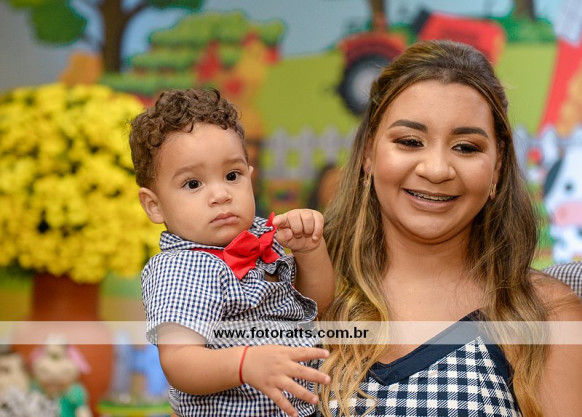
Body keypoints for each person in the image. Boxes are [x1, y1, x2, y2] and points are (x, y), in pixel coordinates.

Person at [318, 40, 582, 417]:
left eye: (466, 147)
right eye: (410, 141)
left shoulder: (546, 314)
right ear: (368, 154)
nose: (437, 169)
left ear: (497, 167)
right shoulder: (295, 294)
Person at [128, 88, 334, 417]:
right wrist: (243, 364)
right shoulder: (182, 269)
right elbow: (179, 361)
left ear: (250, 178)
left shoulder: (264, 240)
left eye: (232, 176)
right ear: (154, 205)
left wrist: (310, 250)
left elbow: (316, 304)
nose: (221, 194)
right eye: (193, 184)